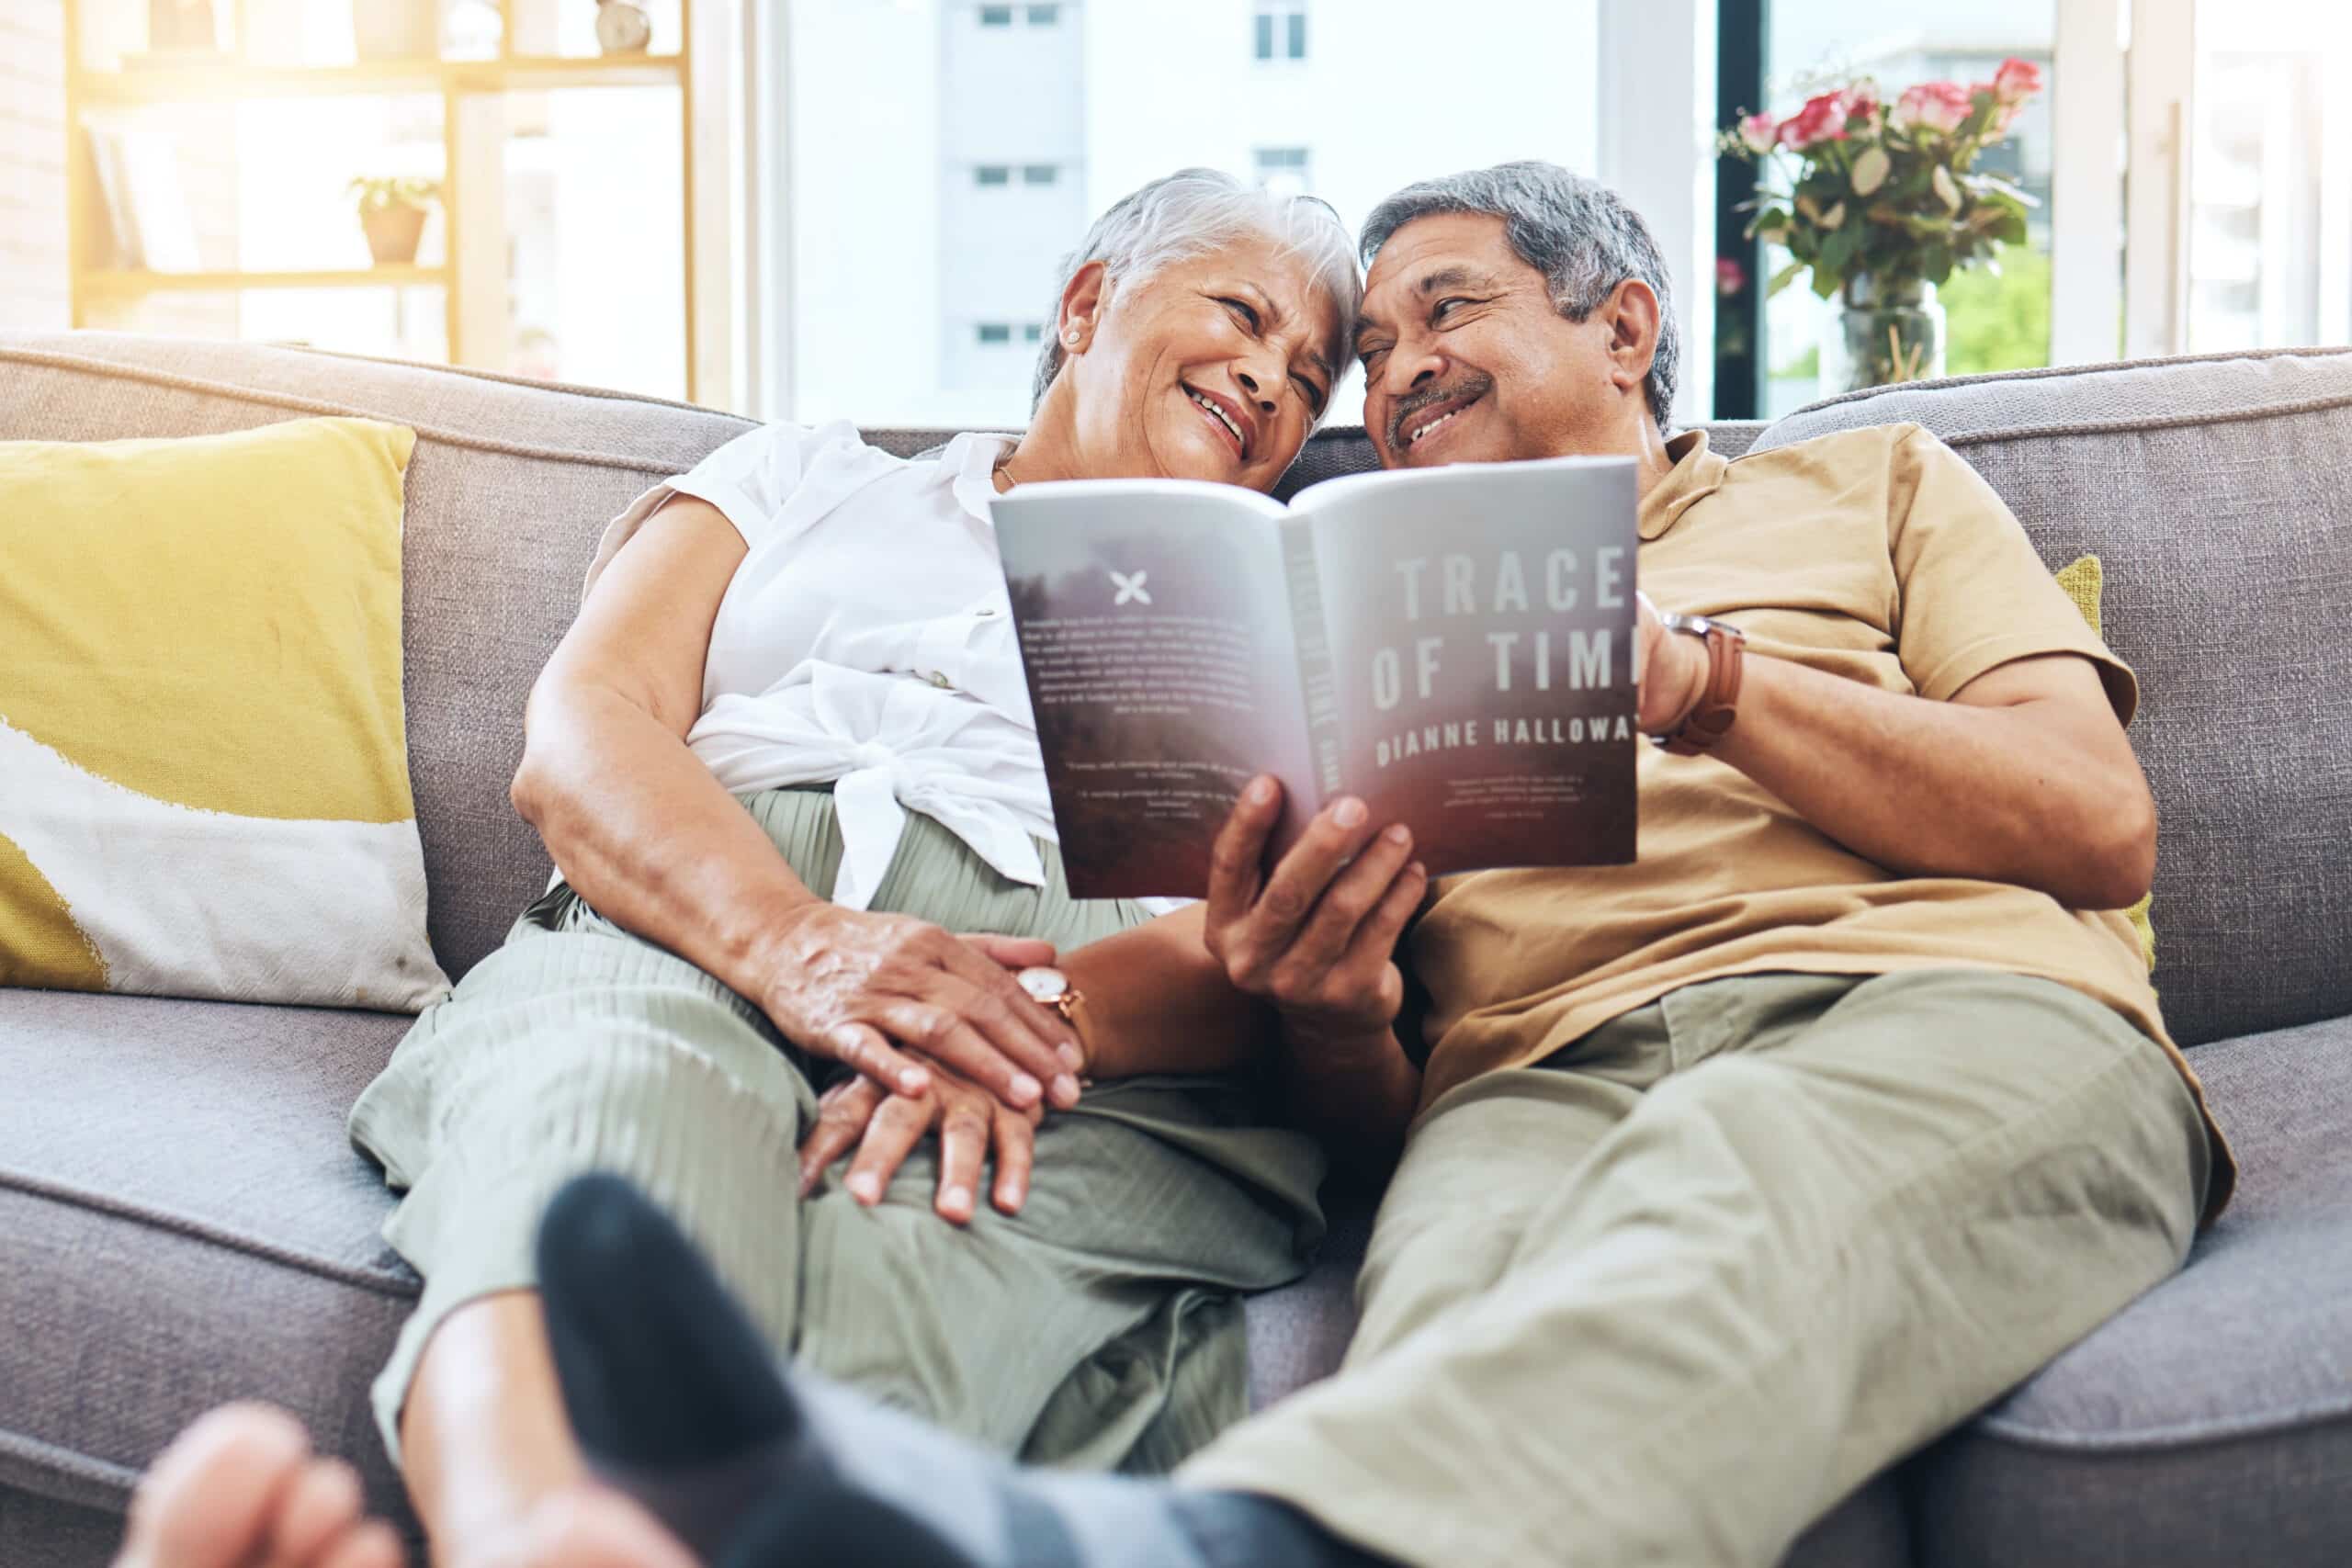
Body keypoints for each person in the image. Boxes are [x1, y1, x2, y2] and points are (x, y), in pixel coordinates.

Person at [112, 158, 2224, 1568]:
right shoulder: (888, 502)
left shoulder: (1851, 487)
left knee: (1698, 1196)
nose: (1360, 381)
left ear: (1632, 329)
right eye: (1331, 346)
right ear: (1082, 299)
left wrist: (1672, 679)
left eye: (1412, 328)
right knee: (632, 1113)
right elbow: (588, 739)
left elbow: (2089, 818)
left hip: (1848, 1007)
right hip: (1455, 1071)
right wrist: (878, 958)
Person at [107, 166, 1414, 1568]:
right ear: (1088, 302)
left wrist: (1041, 1021)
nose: (1274, 381)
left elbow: (1276, 937)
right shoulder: (806, 477)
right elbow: (583, 730)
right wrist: (799, 941)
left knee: (925, 1243)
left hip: (1079, 1010)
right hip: (697, 916)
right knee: (599, 1114)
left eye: (1311, 371)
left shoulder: (1289, 612)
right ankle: (530, 1533)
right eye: (1243, 313)